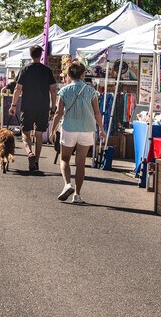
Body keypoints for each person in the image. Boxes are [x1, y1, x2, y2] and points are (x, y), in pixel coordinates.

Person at [50, 61, 106, 204]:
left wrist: (52, 130)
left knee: (64, 159)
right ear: (83, 74)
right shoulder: (91, 91)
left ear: (69, 75)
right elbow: (97, 112)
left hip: (69, 127)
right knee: (80, 164)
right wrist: (101, 129)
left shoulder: (64, 91)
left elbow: (58, 112)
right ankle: (77, 194)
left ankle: (67, 184)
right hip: (87, 129)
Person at [9, 45, 57, 172]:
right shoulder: (47, 71)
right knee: (39, 134)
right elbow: (53, 90)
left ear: (30, 55)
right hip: (43, 106)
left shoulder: (25, 69)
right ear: (41, 55)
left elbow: (17, 88)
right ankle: (36, 161)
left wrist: (13, 105)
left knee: (26, 133)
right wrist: (53, 107)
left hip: (28, 105)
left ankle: (29, 153)